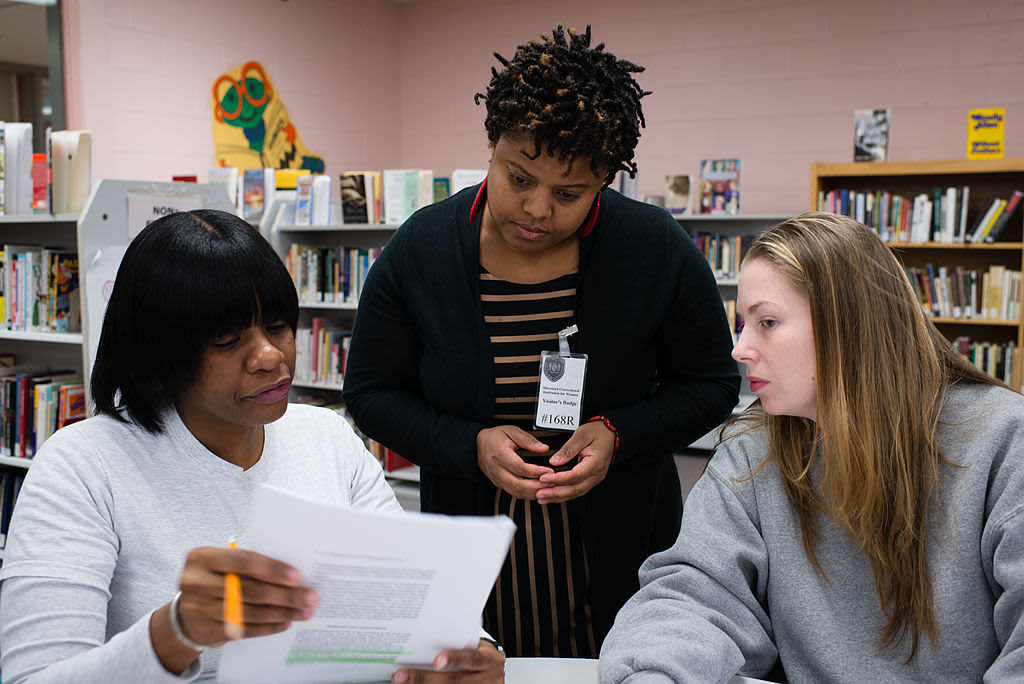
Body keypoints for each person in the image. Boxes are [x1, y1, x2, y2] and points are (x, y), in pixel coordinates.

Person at [343, 26, 740, 658]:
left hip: (624, 560)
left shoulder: (654, 248)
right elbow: (369, 392)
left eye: (568, 193)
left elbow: (713, 384)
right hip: (475, 565)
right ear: (491, 147)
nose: (536, 209)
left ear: (607, 178)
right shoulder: (421, 250)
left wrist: (618, 433)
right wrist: (467, 443)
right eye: (518, 176)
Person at [0, 210, 503, 684]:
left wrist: (465, 650)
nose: (269, 356)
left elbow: (415, 596)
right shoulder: (84, 465)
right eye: (226, 340)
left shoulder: (325, 437)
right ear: (157, 351)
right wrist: (176, 631)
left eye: (279, 326)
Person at [599, 212, 1024, 681]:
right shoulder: (752, 449)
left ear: (848, 324)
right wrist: (654, 674)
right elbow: (694, 593)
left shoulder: (1004, 438)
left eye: (766, 322)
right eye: (742, 324)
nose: (739, 349)